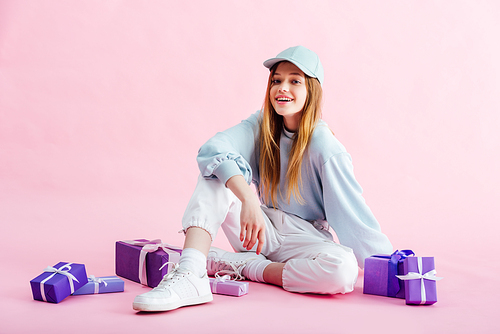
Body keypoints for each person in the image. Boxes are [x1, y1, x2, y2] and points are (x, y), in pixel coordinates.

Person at [133, 46, 393, 312]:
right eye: (277, 80)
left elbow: (352, 216)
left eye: (295, 81)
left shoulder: (325, 146)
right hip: (259, 229)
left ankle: (244, 266)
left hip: (304, 240)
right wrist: (248, 198)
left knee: (342, 270)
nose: (282, 88)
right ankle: (190, 274)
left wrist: (390, 269)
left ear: (312, 90)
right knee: (215, 173)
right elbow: (213, 149)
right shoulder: (261, 125)